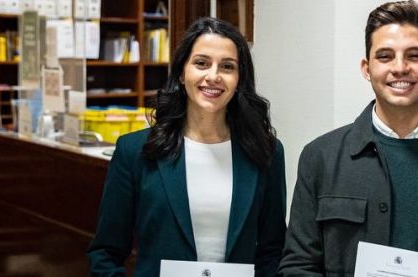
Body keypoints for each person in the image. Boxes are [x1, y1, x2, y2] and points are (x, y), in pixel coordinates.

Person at [277, 1, 418, 276]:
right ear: (366, 68)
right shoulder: (320, 157)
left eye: (414, 55)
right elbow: (298, 266)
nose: (400, 67)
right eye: (385, 56)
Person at [87, 17, 286, 277]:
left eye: (227, 66)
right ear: (182, 73)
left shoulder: (266, 152)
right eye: (201, 63)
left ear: (239, 79)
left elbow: (273, 251)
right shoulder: (135, 151)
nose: (213, 76)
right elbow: (105, 252)